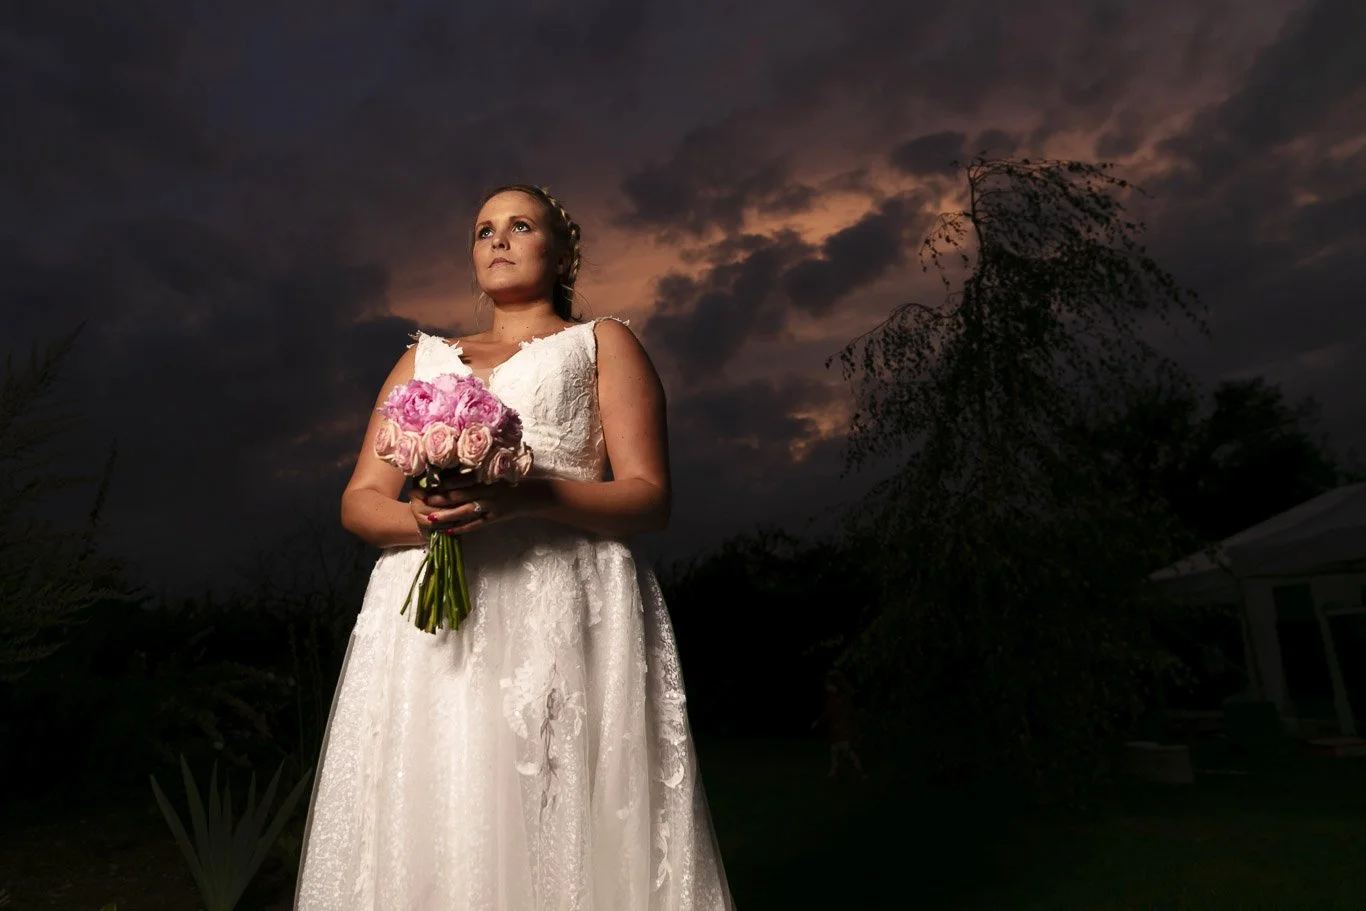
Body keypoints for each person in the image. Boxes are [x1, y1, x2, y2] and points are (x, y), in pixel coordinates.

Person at [294, 185, 735, 909]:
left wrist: (531, 496)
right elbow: (359, 500)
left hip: (559, 605)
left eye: (520, 225)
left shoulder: (601, 343)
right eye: (483, 230)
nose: (498, 239)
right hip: (430, 629)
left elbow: (649, 496)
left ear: (560, 251)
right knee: (444, 797)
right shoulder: (425, 359)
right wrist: (429, 521)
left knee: (553, 802)